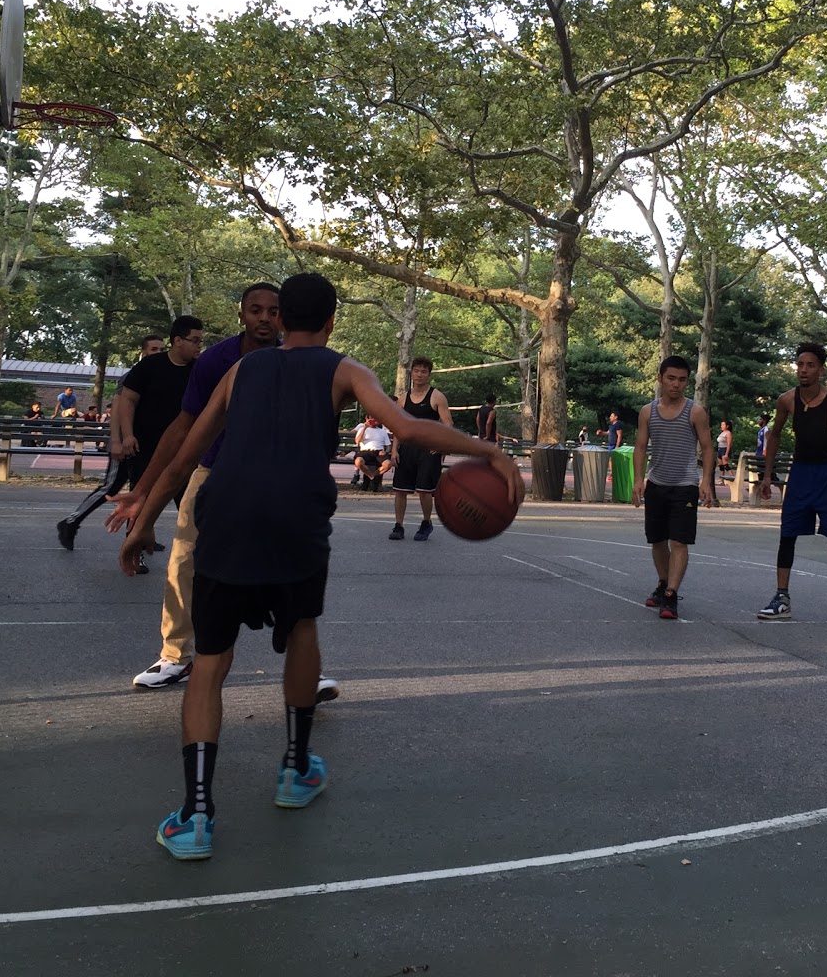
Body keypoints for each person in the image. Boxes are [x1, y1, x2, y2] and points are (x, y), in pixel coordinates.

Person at [121, 273, 525, 861]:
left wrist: (142, 522)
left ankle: (196, 814)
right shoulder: (344, 370)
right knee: (302, 631)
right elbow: (407, 428)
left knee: (209, 663)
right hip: (295, 522)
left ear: (282, 321)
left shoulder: (241, 371)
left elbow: (187, 452)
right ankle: (293, 771)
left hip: (227, 517)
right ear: (332, 320)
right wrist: (490, 449)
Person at [105, 283, 340, 699]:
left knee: (292, 573)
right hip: (213, 472)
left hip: (277, 481)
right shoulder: (217, 361)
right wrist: (141, 494)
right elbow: (182, 432)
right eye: (255, 310)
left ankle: (304, 670)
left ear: (284, 318)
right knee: (183, 563)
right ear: (241, 315)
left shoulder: (303, 362)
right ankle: (175, 657)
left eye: (273, 311)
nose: (264, 318)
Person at [57, 316, 204, 554]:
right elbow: (121, 404)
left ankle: (176, 544)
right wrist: (120, 438)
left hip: (173, 448)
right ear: (177, 341)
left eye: (201, 342)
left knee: (180, 495)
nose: (199, 346)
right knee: (119, 489)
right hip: (137, 445)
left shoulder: (196, 370)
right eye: (195, 341)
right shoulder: (142, 370)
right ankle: (76, 523)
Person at [757, 342, 827, 626]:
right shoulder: (787, 400)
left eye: (810, 365)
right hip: (800, 473)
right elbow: (774, 435)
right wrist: (768, 475)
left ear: (820, 369)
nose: (804, 370)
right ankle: (782, 598)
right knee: (787, 536)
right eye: (800, 364)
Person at [633, 356, 716, 621]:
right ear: (660, 378)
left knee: (679, 541)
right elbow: (641, 446)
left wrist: (705, 481)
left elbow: (707, 447)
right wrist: (638, 479)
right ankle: (662, 582)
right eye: (671, 378)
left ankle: (671, 593)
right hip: (656, 484)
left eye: (681, 380)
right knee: (657, 540)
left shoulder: (695, 412)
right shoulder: (648, 411)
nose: (676, 384)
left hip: (685, 487)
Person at [389, 357, 453, 541]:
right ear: (412, 373)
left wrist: (440, 444)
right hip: (407, 448)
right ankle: (398, 526)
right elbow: (398, 426)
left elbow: (448, 424)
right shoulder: (403, 399)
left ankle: (426, 522)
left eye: (423, 371)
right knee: (400, 490)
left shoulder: (437, 396)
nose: (419, 374)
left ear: (429, 374)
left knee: (424, 490)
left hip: (428, 449)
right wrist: (394, 450)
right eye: (416, 371)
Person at [351, 416, 392, 490]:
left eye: (376, 419)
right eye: (372, 418)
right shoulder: (362, 429)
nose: (374, 420)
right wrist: (365, 428)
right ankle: (371, 476)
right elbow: (357, 441)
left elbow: (388, 446)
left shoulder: (382, 431)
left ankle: (373, 475)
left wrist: (386, 451)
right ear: (367, 419)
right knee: (358, 462)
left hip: (379, 451)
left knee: (388, 464)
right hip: (365, 451)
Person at [716, 419, 734, 484]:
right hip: (720, 449)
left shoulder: (728, 433)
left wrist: (726, 454)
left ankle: (733, 477)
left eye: (723, 425)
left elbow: (729, 445)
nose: (722, 426)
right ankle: (721, 480)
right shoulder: (722, 433)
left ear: (727, 426)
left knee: (725, 465)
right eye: (721, 425)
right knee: (721, 466)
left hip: (725, 449)